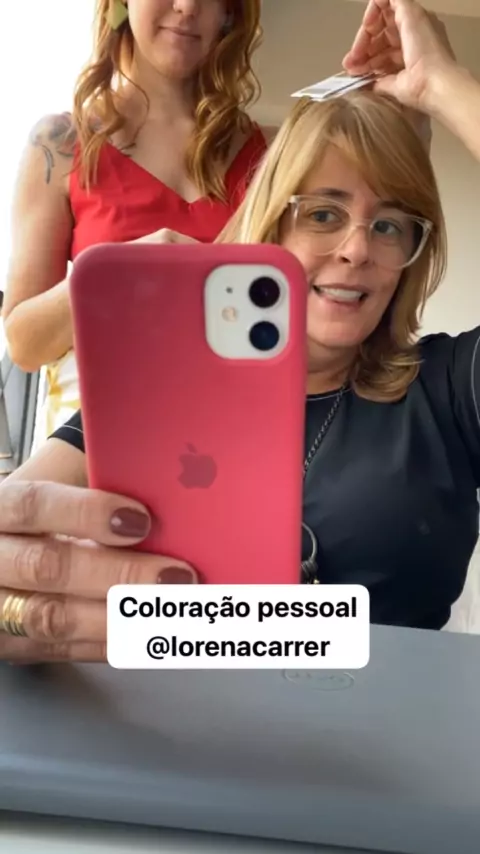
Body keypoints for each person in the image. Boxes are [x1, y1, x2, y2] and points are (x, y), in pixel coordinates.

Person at [1, 0, 480, 664]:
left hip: (384, 725)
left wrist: (444, 86)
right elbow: (16, 527)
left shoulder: (449, 386)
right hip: (173, 720)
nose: (356, 249)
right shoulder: (159, 395)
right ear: (270, 227)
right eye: (322, 214)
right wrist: (18, 610)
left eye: (390, 226)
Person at [2, 0, 272, 446]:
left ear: (229, 11)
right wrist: (114, 273)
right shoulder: (59, 144)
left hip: (231, 442)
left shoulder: (273, 154)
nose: (187, 7)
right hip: (94, 451)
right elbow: (25, 345)